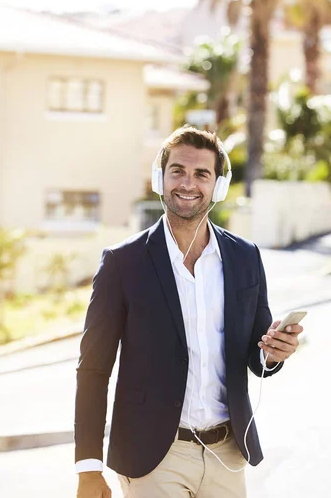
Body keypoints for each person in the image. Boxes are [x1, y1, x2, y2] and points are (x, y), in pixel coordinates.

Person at [75, 126, 303, 498]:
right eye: (177, 170)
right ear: (159, 179)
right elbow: (94, 368)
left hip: (227, 455)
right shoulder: (122, 262)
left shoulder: (246, 257)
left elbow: (256, 353)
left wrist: (274, 352)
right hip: (153, 460)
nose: (188, 183)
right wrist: (88, 467)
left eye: (202, 174)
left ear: (218, 186)